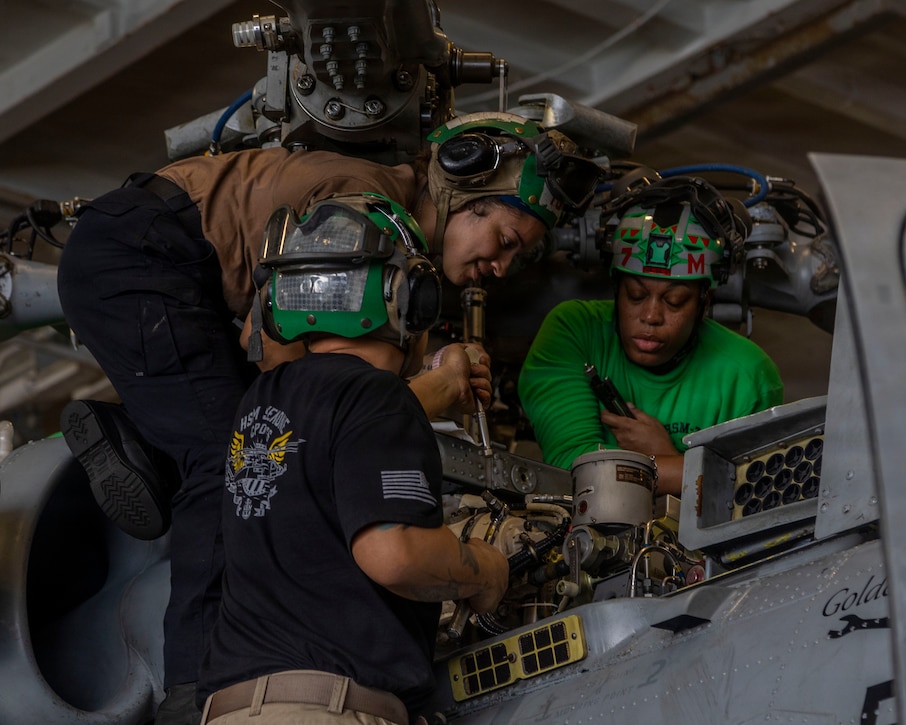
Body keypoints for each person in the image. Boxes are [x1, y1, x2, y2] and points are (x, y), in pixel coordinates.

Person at [55, 110, 600, 723]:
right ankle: (191, 689)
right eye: (503, 240)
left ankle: (148, 443)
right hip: (144, 260)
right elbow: (304, 421)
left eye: (518, 259)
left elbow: (316, 412)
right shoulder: (354, 216)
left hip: (152, 262)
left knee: (246, 447)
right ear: (463, 192)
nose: (501, 268)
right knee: (232, 469)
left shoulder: (380, 222)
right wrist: (436, 387)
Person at [195, 192, 509, 723]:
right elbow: (396, 555)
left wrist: (443, 379)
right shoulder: (376, 398)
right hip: (328, 708)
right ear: (412, 301)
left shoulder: (262, 401)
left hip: (232, 708)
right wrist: (484, 570)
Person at [518, 177, 784, 496]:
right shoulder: (573, 331)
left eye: (675, 301)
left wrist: (662, 455)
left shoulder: (748, 377)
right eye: (635, 295)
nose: (650, 317)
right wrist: (676, 465)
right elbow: (574, 468)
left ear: (704, 302)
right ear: (616, 289)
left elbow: (751, 492)